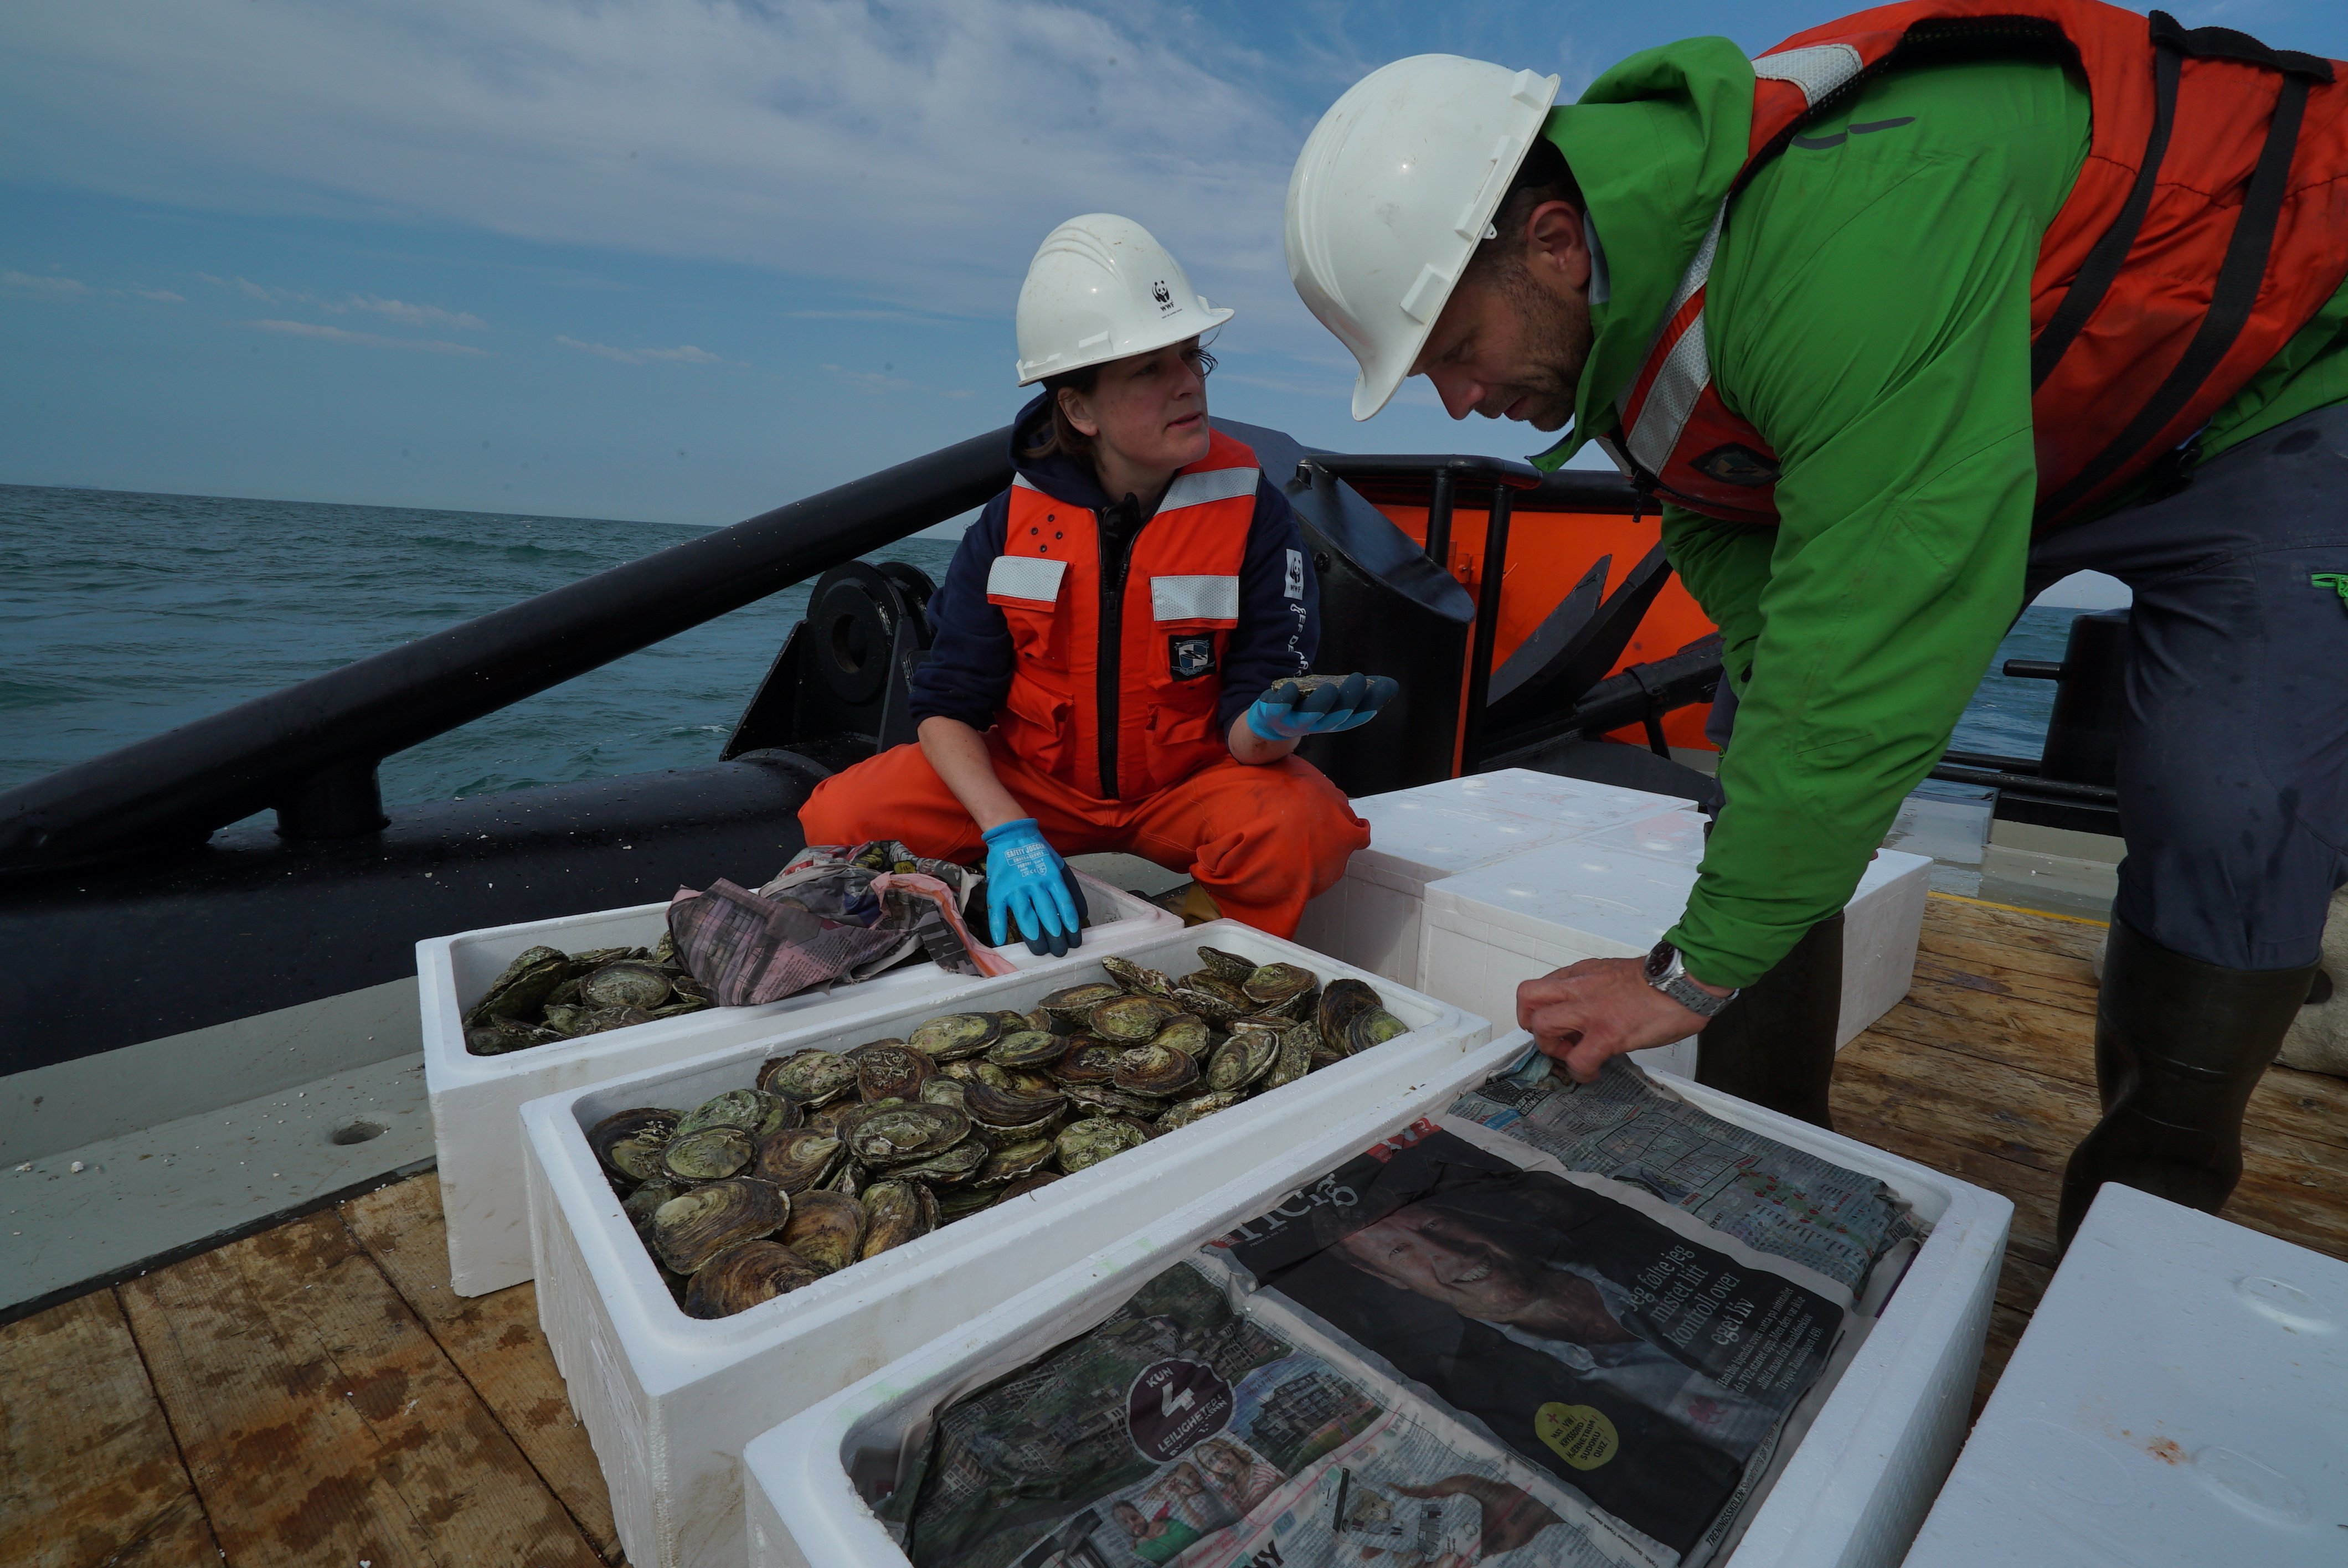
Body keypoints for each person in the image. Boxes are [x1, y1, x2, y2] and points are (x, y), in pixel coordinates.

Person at [1284, 0, 2348, 1247]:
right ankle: (1767, 1162)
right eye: (1431, 381)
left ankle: (2144, 1240)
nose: (1461, 404)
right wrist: (1762, 846)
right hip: (2006, 408)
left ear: (1557, 241)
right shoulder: (1627, 362)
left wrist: (1688, 971)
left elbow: (1877, 625)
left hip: (2258, 400)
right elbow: (1785, 657)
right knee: (1765, 752)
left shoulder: (1842, 237)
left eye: (1457, 348)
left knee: (2232, 804)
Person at [799, 214, 1388, 950]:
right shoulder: (1009, 522)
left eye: (1190, 357)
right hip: (1036, 789)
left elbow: (1251, 726)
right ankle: (969, 903)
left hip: (1187, 788)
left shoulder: (1254, 513)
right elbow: (947, 707)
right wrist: (1008, 831)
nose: (1187, 385)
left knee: (1307, 826)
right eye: (1149, 368)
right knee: (840, 817)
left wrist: (1278, 723)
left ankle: (1215, 957)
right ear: (1078, 409)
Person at [1332, 1194, 1779, 1454]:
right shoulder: (1487, 1395)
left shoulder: (1628, 1240)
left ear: (1469, 1220)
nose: (1449, 1253)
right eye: (1398, 1252)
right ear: (1388, 1279)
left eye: (1434, 1224)